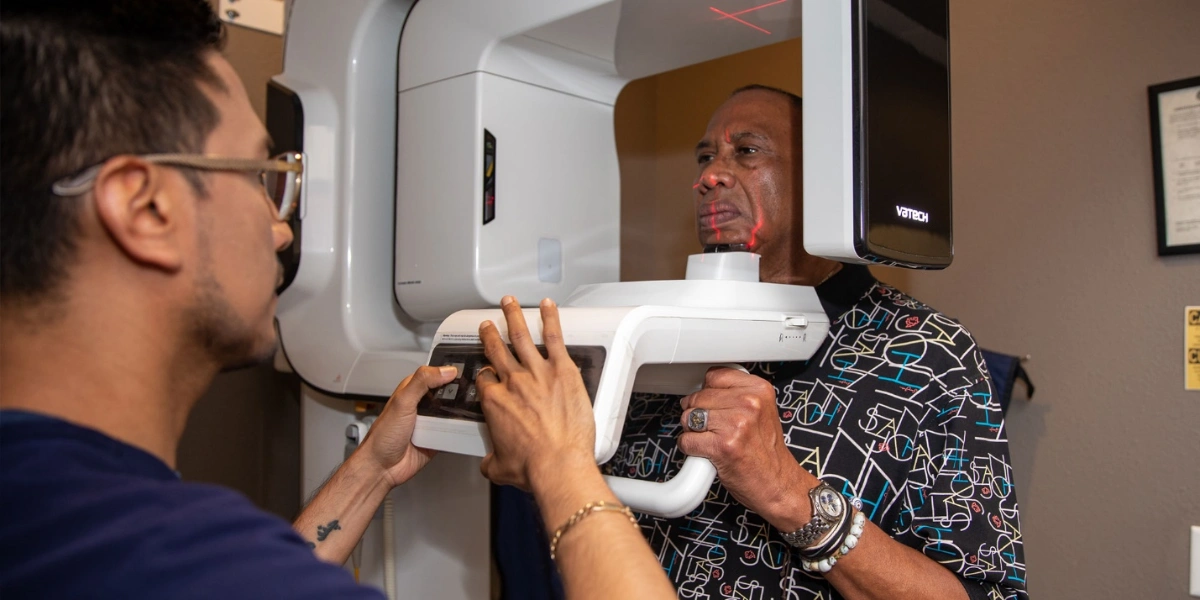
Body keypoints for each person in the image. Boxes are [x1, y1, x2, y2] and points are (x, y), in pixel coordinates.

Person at [0, 2, 673, 599]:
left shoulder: (58, 505)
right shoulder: (177, 560)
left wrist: (371, 471)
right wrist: (563, 470)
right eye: (261, 178)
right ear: (147, 210)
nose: (281, 226)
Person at [593, 85, 1029, 599]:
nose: (709, 176)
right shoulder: (661, 336)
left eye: (747, 151)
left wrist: (785, 490)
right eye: (706, 157)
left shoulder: (931, 355)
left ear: (820, 180)